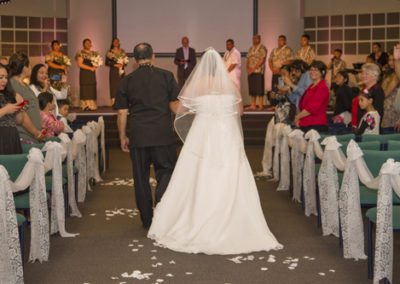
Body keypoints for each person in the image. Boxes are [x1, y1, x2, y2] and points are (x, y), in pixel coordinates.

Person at [147, 48, 282, 255]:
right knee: (229, 173)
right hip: (226, 135)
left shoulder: (198, 84)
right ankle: (234, 220)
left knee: (199, 173)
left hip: (203, 135)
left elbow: (179, 110)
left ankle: (196, 217)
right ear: (220, 65)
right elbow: (240, 111)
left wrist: (175, 104)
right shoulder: (229, 85)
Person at [115, 43, 180, 229]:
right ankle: (162, 209)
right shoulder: (166, 76)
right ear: (154, 56)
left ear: (135, 60)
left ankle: (147, 219)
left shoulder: (126, 81)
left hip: (139, 136)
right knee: (166, 171)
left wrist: (122, 136)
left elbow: (122, 113)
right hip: (163, 135)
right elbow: (174, 107)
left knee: (141, 177)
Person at [9, 52, 43, 143]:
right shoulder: (13, 85)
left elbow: (32, 108)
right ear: (24, 67)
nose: (31, 67)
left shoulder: (25, 85)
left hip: (34, 136)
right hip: (24, 136)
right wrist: (36, 132)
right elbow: (20, 115)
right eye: (30, 65)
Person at [295, 60, 329, 133]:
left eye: (316, 70)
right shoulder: (311, 86)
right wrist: (299, 119)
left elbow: (312, 108)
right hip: (306, 124)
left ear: (322, 72)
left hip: (315, 125)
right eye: (311, 69)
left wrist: (297, 117)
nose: (312, 72)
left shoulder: (322, 87)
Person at [352, 63, 384, 131]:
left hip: (368, 130)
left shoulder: (377, 90)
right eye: (363, 73)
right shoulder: (364, 89)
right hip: (359, 126)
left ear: (375, 76)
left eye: (366, 74)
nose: (363, 76)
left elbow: (378, 113)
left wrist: (361, 129)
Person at [0, 63, 24, 154]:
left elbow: (19, 121)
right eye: (1, 77)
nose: (4, 81)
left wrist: (19, 107)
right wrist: (6, 109)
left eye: (6, 77)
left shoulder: (9, 95)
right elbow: (6, 110)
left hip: (12, 136)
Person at [76, 38, 99, 111]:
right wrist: (90, 68)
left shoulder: (94, 53)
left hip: (92, 73)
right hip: (84, 72)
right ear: (83, 44)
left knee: (92, 87)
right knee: (85, 87)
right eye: (87, 43)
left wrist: (96, 65)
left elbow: (96, 63)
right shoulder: (81, 52)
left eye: (90, 43)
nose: (88, 44)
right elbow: (79, 64)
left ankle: (92, 105)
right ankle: (85, 105)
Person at [246, 34, 268, 110]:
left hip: (258, 71)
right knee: (252, 89)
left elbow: (262, 60)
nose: (254, 40)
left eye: (256, 39)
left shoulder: (262, 48)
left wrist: (253, 68)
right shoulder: (250, 48)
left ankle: (261, 105)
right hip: (250, 72)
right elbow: (248, 59)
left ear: (259, 39)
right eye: (253, 39)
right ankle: (253, 105)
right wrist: (248, 68)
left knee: (259, 89)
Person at [106, 38, 128, 106]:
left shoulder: (122, 51)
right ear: (112, 43)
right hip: (114, 71)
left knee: (122, 85)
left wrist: (123, 63)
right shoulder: (110, 52)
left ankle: (122, 101)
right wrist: (115, 65)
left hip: (121, 70)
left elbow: (126, 61)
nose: (116, 42)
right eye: (115, 41)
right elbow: (107, 63)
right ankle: (114, 103)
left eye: (117, 41)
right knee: (114, 86)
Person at [381, 54, 400, 132]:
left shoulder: (396, 76)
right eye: (389, 60)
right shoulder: (389, 73)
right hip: (385, 107)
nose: (391, 62)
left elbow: (385, 93)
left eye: (394, 60)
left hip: (391, 110)